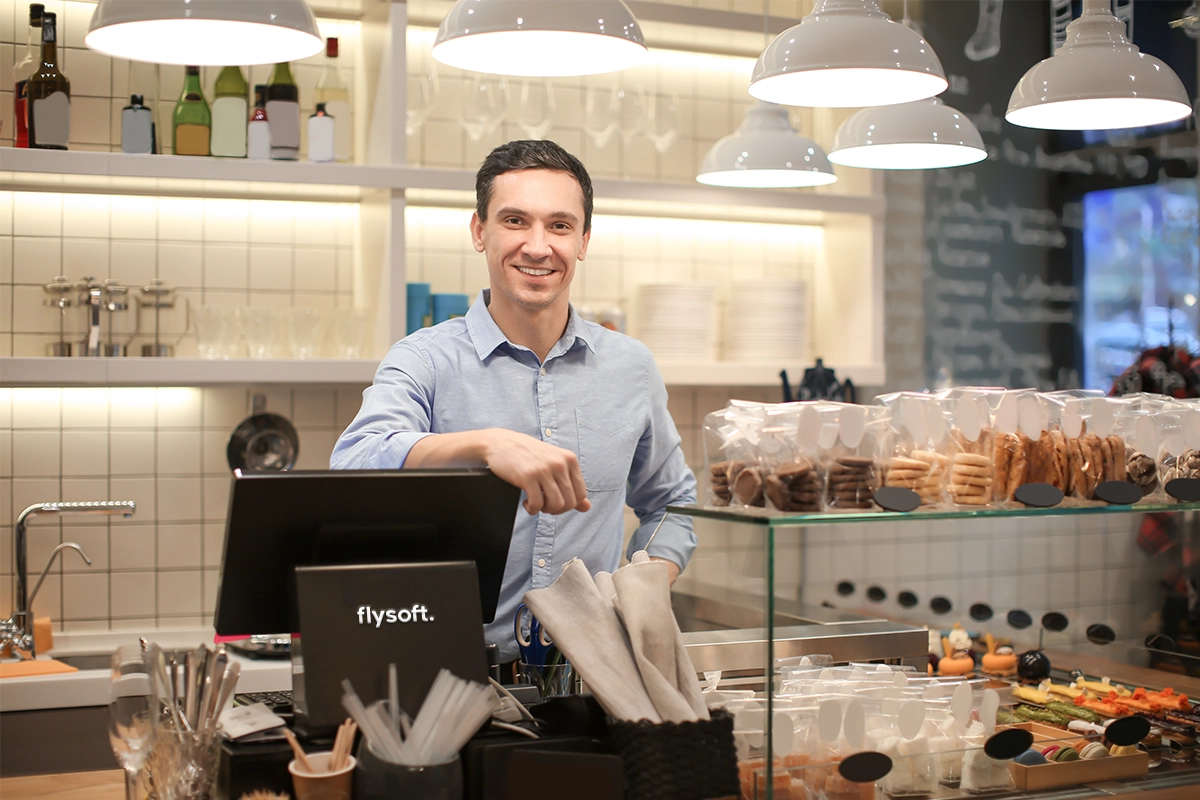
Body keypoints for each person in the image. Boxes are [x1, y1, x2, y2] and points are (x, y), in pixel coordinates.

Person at [331, 139, 697, 662]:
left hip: (594, 673)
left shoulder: (631, 366)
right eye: (515, 221)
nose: (538, 246)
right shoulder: (425, 359)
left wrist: (642, 585)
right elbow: (354, 461)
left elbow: (672, 502)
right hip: (449, 672)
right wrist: (484, 445)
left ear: (584, 241)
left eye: (560, 225)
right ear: (480, 231)